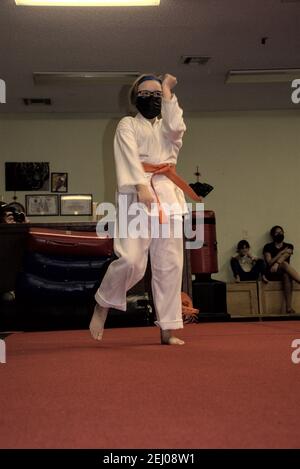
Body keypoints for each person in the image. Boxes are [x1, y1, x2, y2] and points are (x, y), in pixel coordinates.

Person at [89, 73, 199, 345]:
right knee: (132, 261)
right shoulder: (127, 124)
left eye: (157, 94)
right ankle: (103, 303)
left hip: (169, 198)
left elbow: (177, 128)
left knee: (170, 265)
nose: (151, 98)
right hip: (135, 196)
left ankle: (167, 329)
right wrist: (140, 186)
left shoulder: (166, 127)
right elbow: (126, 155)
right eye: (145, 93)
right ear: (135, 98)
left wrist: (169, 91)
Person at [263, 225, 300, 314]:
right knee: (284, 264)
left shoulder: (289, 245)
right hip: (271, 273)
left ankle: (289, 308)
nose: (279, 234)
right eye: (277, 232)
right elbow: (269, 262)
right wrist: (281, 252)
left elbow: (287, 255)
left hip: (284, 272)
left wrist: (277, 263)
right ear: (273, 235)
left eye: (281, 232)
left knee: (286, 274)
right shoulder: (268, 246)